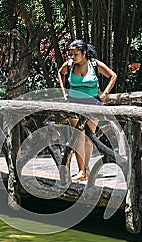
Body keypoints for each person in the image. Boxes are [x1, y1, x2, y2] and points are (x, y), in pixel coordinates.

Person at [57, 39, 117, 181]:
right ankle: (81, 170)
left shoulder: (94, 64)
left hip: (93, 103)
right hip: (74, 103)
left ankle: (85, 168)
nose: (72, 57)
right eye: (70, 54)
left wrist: (105, 94)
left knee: (89, 138)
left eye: (76, 54)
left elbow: (113, 76)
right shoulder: (70, 65)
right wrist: (63, 92)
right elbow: (60, 73)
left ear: (84, 53)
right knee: (78, 137)